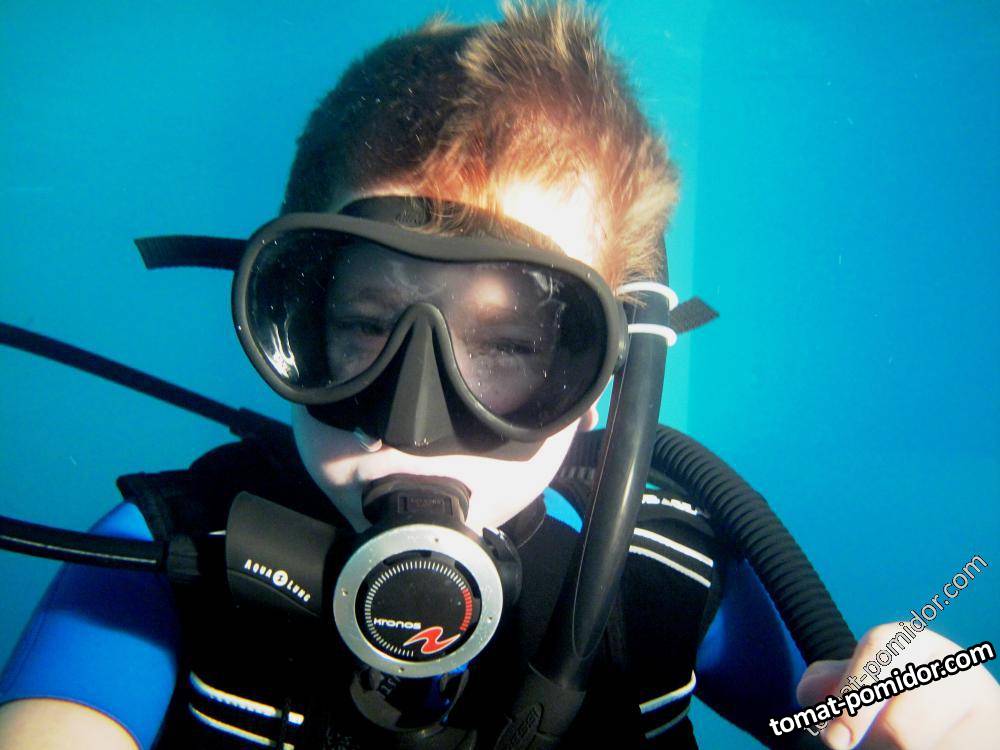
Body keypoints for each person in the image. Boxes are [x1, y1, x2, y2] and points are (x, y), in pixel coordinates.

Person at [1, 3, 998, 749]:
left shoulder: (660, 584)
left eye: (511, 348)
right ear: (293, 316)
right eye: (367, 327)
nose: (415, 420)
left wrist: (940, 714)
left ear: (610, 374)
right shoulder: (165, 555)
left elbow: (841, 719)